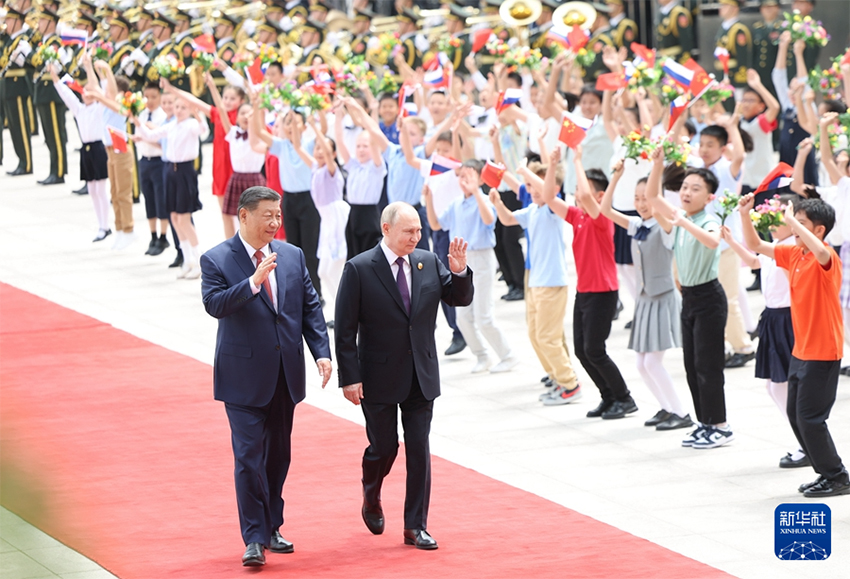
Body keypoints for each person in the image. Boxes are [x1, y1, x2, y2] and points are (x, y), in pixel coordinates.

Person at [200, 186, 332, 566]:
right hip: (241, 378)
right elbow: (214, 305)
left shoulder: (291, 256)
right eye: (267, 216)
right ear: (244, 216)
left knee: (278, 457)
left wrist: (321, 353)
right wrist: (252, 283)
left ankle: (273, 525)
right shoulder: (217, 259)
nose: (275, 222)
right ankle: (254, 537)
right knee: (247, 457)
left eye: (278, 215)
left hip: (284, 376)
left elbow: (309, 307)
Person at [334, 202, 473, 551]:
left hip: (421, 373)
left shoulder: (427, 261)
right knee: (384, 447)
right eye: (408, 231)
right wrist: (349, 378)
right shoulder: (360, 268)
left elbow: (459, 298)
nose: (416, 237)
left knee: (419, 449)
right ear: (386, 229)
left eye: (418, 231)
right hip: (377, 374)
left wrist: (459, 272)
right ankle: (371, 491)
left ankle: (415, 525)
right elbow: (344, 329)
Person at [740, 192, 849, 497]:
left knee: (810, 418)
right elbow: (756, 246)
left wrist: (791, 221)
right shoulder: (794, 254)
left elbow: (822, 254)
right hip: (801, 350)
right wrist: (744, 215)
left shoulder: (826, 257)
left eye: (801, 224)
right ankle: (825, 472)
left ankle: (837, 476)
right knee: (795, 415)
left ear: (819, 231)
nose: (792, 228)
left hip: (823, 350)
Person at [647, 147, 734, 450]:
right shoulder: (681, 216)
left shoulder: (706, 221)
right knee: (692, 364)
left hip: (709, 297)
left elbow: (712, 242)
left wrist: (683, 222)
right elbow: (652, 197)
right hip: (690, 299)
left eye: (696, 188)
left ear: (709, 197)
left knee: (708, 366)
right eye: (685, 186)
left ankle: (721, 426)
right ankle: (705, 422)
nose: (687, 192)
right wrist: (657, 165)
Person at [543, 148, 636, 420]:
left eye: (584, 190)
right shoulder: (578, 216)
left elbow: (585, 195)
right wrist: (551, 164)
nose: (577, 194)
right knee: (582, 351)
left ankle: (624, 397)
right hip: (584, 292)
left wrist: (578, 160)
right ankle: (609, 396)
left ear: (599, 197)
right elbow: (549, 196)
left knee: (595, 349)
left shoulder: (602, 219)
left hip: (603, 292)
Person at [601, 164, 692, 431]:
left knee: (652, 362)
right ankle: (666, 408)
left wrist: (655, 172)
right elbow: (605, 211)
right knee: (641, 364)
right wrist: (616, 178)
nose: (641, 203)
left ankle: (681, 412)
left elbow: (656, 204)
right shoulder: (637, 225)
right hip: (644, 300)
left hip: (663, 298)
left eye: (646, 197)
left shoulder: (666, 227)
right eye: (637, 198)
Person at [490, 155, 582, 406]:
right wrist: (498, 203)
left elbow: (547, 190)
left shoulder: (554, 209)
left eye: (534, 186)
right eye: (529, 186)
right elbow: (508, 219)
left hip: (552, 282)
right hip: (535, 283)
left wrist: (523, 170)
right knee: (536, 334)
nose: (530, 190)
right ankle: (557, 377)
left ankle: (570, 384)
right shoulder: (532, 210)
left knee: (547, 336)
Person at [424, 160, 517, 374]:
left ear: (479, 179)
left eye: (469, 176)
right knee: (462, 316)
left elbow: (488, 219)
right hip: (462, 262)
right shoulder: (456, 204)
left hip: (482, 258)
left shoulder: (484, 200)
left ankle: (507, 355)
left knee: (483, 315)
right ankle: (482, 355)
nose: (463, 180)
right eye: (461, 176)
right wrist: (429, 199)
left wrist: (477, 192)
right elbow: (437, 224)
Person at [51, 64, 110, 242]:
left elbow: (104, 90)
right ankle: (100, 224)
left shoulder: (99, 108)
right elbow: (66, 94)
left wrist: (94, 71)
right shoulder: (80, 109)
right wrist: (54, 76)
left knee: (100, 189)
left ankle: (105, 226)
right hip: (86, 150)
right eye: (85, 92)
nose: (86, 94)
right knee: (92, 189)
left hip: (98, 148)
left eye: (90, 92)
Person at [134, 82, 171, 256]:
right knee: (148, 197)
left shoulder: (162, 117)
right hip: (144, 161)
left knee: (160, 199)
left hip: (158, 162)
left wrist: (146, 137)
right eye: (146, 97)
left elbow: (163, 143)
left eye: (154, 97)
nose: (149, 100)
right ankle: (153, 235)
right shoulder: (141, 114)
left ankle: (163, 236)